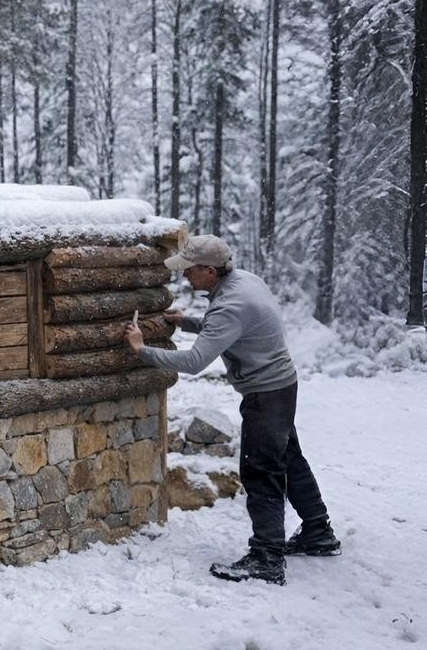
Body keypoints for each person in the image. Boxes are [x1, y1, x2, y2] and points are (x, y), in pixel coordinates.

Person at [124, 234, 340, 586]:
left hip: (265, 395)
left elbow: (194, 361)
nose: (185, 277)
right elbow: (232, 327)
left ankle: (266, 559)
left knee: (261, 471)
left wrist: (141, 350)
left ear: (209, 271)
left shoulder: (230, 305)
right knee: (290, 461)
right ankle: (318, 533)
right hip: (281, 386)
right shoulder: (243, 282)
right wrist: (187, 321)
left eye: (189, 271)